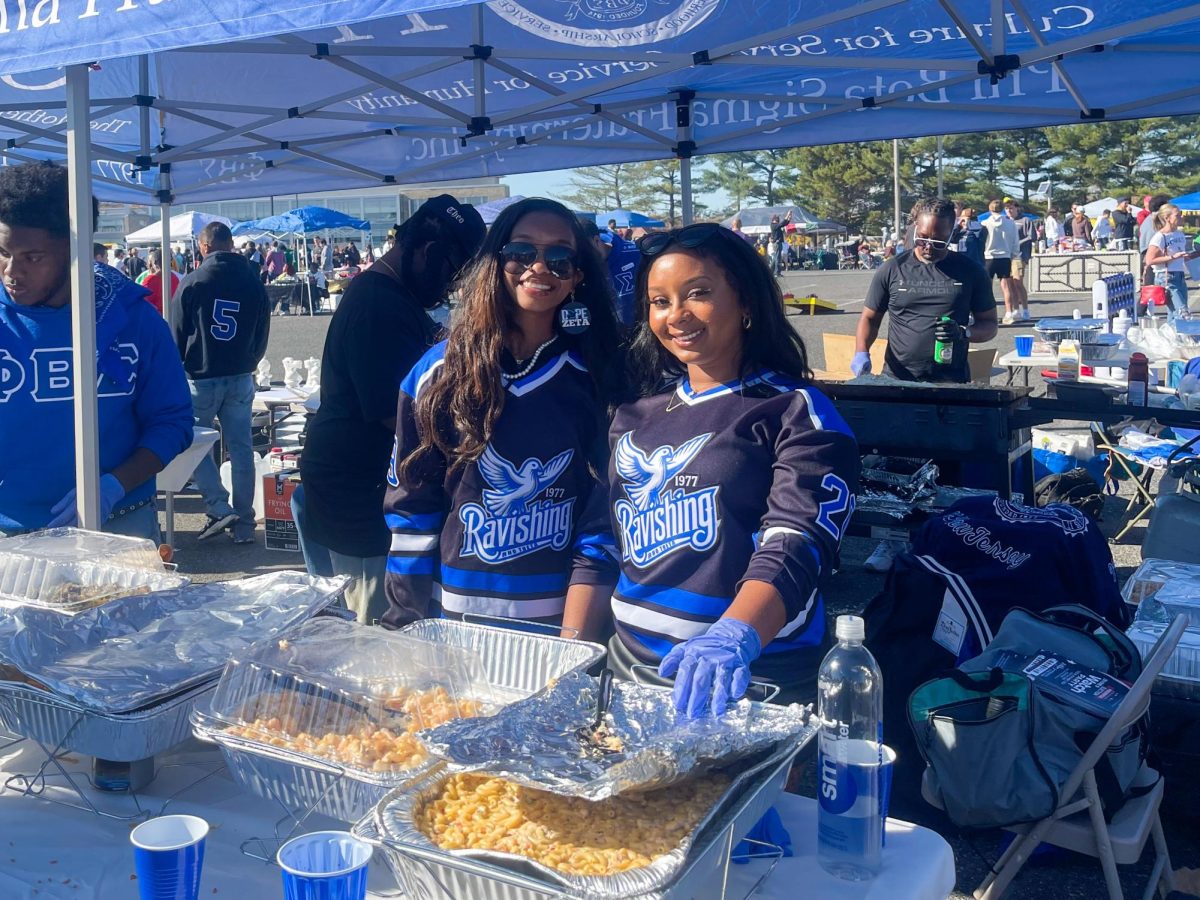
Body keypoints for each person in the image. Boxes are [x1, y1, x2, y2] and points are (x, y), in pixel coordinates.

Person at [563, 222, 860, 714]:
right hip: (627, 674)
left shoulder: (793, 409)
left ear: (745, 302)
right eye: (659, 301)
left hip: (750, 682)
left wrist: (736, 636)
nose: (676, 315)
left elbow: (796, 542)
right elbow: (599, 545)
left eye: (697, 294)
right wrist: (569, 654)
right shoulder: (634, 414)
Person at [383, 198, 621, 630]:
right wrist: (404, 622)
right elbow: (412, 511)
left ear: (578, 277)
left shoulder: (599, 376)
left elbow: (601, 521)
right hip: (454, 619)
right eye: (521, 252)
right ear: (495, 261)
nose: (540, 267)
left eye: (561, 257)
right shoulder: (438, 372)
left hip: (561, 620)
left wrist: (575, 641)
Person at [299, 195, 485, 625]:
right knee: (369, 636)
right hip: (358, 498)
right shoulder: (378, 306)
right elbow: (397, 415)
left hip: (357, 488)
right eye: (452, 276)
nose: (450, 289)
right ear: (428, 252)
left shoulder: (396, 298)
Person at [0, 161, 192, 540]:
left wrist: (114, 485)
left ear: (75, 248)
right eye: (2, 252)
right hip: (10, 531)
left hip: (120, 524)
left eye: (31, 257)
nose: (10, 271)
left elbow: (172, 422)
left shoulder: (132, 317)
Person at [852, 198, 998, 572]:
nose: (928, 244)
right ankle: (891, 542)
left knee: (945, 468)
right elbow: (870, 317)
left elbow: (989, 324)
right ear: (913, 226)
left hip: (950, 384)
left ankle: (941, 543)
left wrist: (966, 331)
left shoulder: (968, 271)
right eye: (923, 236)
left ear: (952, 233)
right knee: (891, 465)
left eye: (938, 239)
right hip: (898, 380)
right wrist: (861, 353)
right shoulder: (893, 269)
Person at [170, 221, 270, 544]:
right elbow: (262, 331)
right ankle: (243, 523)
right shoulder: (253, 281)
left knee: (196, 444)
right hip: (241, 374)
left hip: (201, 376)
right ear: (230, 245)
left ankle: (216, 504)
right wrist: (251, 361)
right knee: (242, 450)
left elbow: (175, 333)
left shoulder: (193, 281)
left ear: (203, 247)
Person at [579, 218, 640, 328]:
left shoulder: (637, 254)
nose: (581, 258)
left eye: (583, 251)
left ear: (596, 240)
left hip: (640, 334)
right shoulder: (576, 268)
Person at [1146, 203, 1192, 316]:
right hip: (1166, 276)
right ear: (1167, 218)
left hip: (1180, 275)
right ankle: (1183, 333)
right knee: (1182, 311)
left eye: (1181, 214)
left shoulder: (1179, 234)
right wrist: (1172, 257)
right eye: (1178, 215)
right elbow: (1149, 260)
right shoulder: (1160, 237)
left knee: (1174, 313)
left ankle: (1173, 332)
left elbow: (1181, 254)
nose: (1182, 217)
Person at [981, 199, 1019, 323]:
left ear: (990, 209)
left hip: (989, 257)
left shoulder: (985, 223)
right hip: (1005, 256)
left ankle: (989, 313)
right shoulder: (1010, 223)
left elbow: (982, 241)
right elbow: (1015, 240)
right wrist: (1013, 253)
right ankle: (1009, 313)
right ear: (1002, 208)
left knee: (987, 287)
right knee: (1006, 286)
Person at [1005, 199, 1033, 321]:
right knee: (1009, 284)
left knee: (1018, 283)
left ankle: (1025, 310)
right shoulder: (1004, 222)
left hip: (1019, 256)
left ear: (1017, 208)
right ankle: (1015, 309)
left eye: (1011, 208)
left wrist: (1016, 243)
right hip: (1006, 256)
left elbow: (1032, 236)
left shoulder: (1025, 220)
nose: (1009, 211)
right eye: (1006, 209)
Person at [139, 249, 179, 316]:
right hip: (173, 317)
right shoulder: (174, 277)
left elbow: (144, 304)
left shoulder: (149, 280)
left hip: (156, 320)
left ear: (154, 263)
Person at [768, 211, 792, 276]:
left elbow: (784, 224)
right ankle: (777, 272)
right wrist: (787, 215)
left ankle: (770, 271)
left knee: (775, 258)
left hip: (778, 243)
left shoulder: (776, 225)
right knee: (778, 258)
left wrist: (789, 218)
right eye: (777, 219)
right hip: (777, 243)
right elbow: (781, 224)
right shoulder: (773, 225)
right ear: (774, 219)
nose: (778, 220)